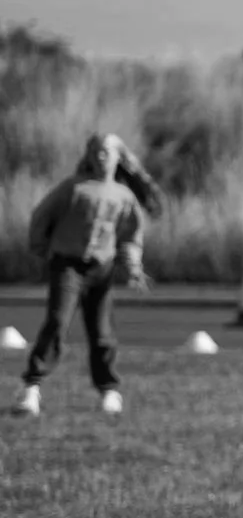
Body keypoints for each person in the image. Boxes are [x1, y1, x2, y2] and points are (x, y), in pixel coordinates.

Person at [13, 134, 160, 420]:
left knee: (102, 331)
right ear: (89, 156)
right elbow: (41, 217)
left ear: (119, 157)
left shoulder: (123, 196)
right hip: (67, 266)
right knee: (57, 322)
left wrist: (131, 266)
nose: (101, 157)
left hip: (100, 269)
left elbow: (130, 237)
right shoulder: (73, 188)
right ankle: (31, 388)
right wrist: (41, 249)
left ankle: (108, 390)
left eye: (107, 152)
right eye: (96, 152)